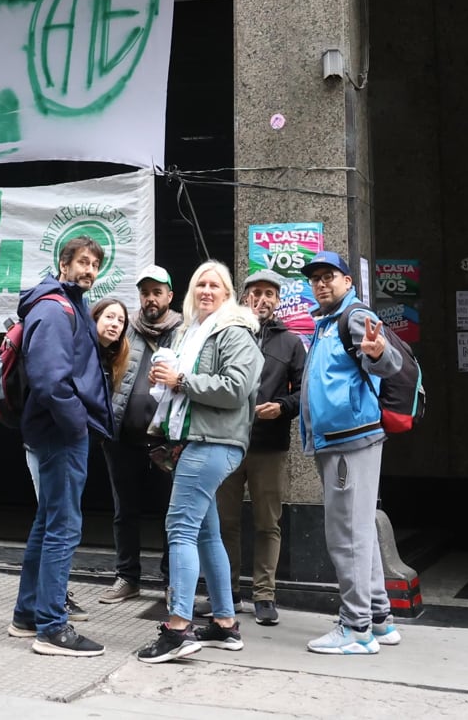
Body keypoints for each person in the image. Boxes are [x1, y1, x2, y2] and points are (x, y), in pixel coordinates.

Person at [134, 262, 260, 663]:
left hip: (214, 441)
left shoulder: (235, 331)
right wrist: (166, 380)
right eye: (200, 283)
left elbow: (236, 388)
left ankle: (178, 629)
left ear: (227, 294)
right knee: (206, 534)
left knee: (180, 529)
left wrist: (181, 381)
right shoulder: (192, 332)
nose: (206, 290)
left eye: (215, 285)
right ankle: (224, 625)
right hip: (197, 440)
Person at [298, 251, 404, 655]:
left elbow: (386, 361)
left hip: (350, 440)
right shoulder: (326, 322)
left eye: (329, 276)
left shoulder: (353, 316)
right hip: (340, 440)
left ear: (347, 281)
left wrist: (377, 353)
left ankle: (356, 628)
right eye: (315, 279)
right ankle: (378, 619)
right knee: (359, 533)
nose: (321, 283)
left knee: (346, 536)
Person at [11, 236, 112, 657]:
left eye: (94, 265)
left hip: (54, 430)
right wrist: (76, 427)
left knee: (48, 521)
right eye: (82, 262)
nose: (89, 270)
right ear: (62, 263)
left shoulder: (64, 304)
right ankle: (52, 627)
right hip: (60, 433)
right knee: (64, 528)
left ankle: (28, 614)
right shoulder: (55, 308)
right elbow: (51, 381)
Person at [216, 267, 305, 627]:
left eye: (270, 293)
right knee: (225, 523)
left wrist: (283, 406)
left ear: (279, 300)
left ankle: (264, 595)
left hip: (270, 446)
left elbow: (304, 392)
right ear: (244, 297)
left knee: (268, 523)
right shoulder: (227, 333)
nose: (262, 299)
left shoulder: (291, 343)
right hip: (226, 442)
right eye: (256, 293)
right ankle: (228, 593)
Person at [99, 263, 180, 604]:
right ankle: (127, 577)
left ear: (169, 296)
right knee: (124, 511)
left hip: (168, 441)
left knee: (171, 513)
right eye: (145, 292)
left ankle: (170, 581)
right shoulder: (125, 329)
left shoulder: (184, 330)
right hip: (123, 438)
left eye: (156, 292)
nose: (150, 299)